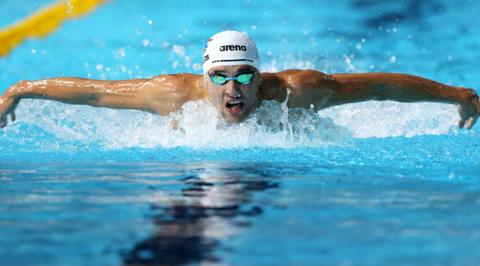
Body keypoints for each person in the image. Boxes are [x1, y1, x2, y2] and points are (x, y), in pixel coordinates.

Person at [0, 30, 479, 129]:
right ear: (204, 77)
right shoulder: (173, 95)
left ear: (261, 75)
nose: (233, 89)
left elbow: (380, 85)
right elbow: (94, 91)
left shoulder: (296, 91)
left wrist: (461, 95)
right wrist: (18, 90)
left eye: (245, 75)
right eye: (221, 77)